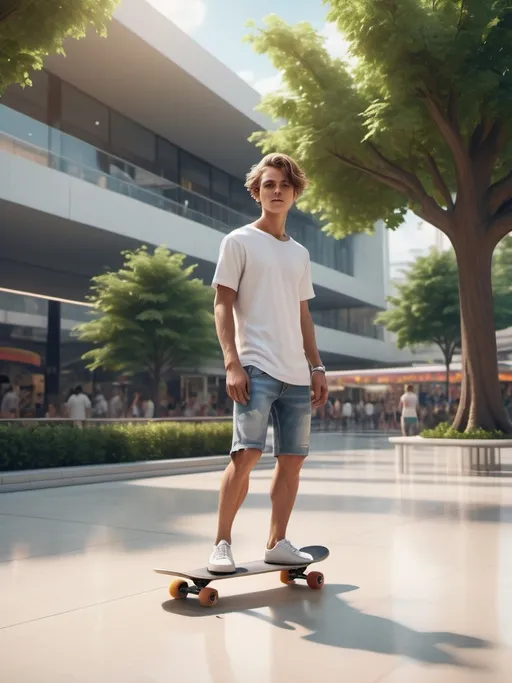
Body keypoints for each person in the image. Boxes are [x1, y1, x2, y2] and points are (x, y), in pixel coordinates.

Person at [208, 153, 329, 573]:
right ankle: (222, 543)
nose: (277, 191)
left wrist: (316, 367)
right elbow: (222, 305)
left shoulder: (299, 253)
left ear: (295, 193)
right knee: (246, 454)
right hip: (255, 367)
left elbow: (303, 316)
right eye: (269, 184)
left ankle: (277, 542)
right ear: (256, 192)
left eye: (284, 185)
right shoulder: (238, 241)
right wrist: (232, 363)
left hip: (296, 373)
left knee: (292, 461)